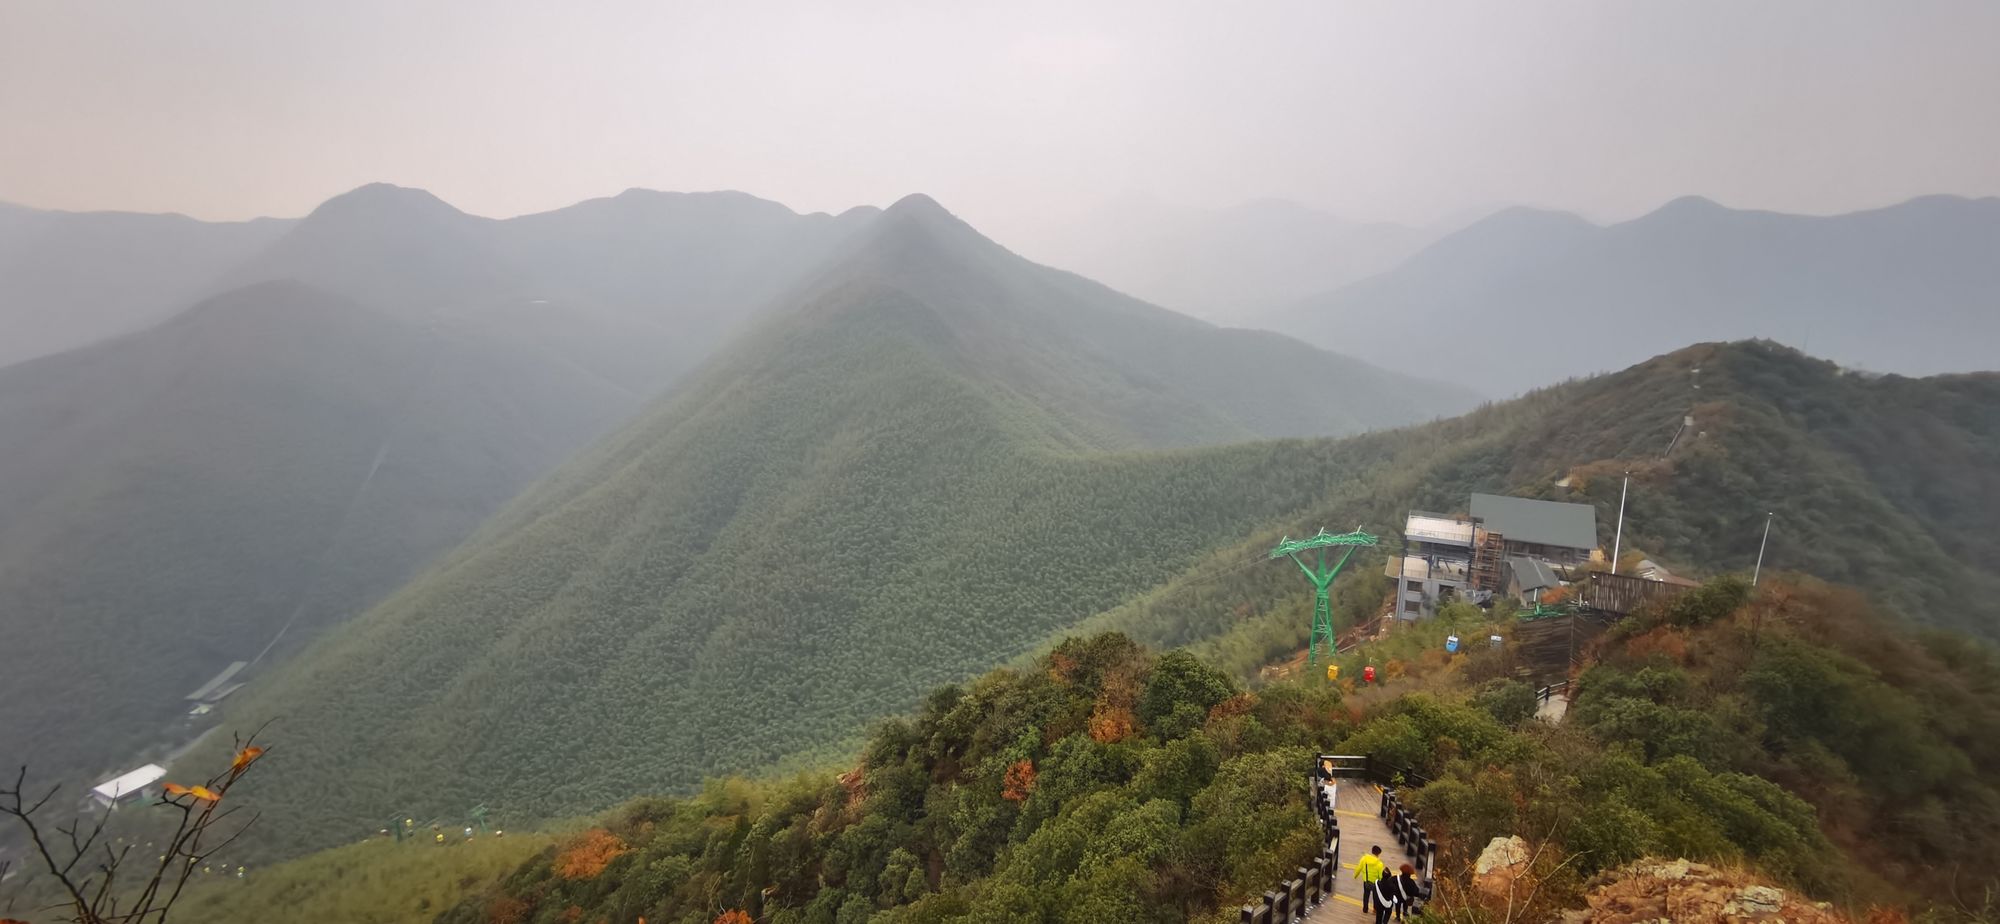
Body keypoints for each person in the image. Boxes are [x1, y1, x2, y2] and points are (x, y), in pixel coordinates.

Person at [1355, 844, 1387, 912]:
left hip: (1366, 880)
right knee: (1375, 896)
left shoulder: (1364, 859)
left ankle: (1365, 908)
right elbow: (1380, 875)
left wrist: (1355, 875)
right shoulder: (1379, 864)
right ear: (1378, 854)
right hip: (1375, 883)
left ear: (1372, 851)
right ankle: (1375, 909)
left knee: (1366, 894)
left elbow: (1359, 868)